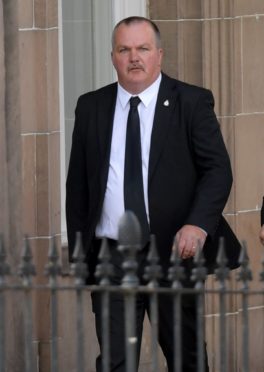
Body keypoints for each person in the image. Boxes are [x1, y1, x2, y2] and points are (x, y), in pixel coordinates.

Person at [66, 16, 241, 372]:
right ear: (112, 57)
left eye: (143, 48)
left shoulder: (190, 102)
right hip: (112, 256)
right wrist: (83, 255)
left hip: (173, 254)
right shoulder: (91, 107)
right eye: (124, 49)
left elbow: (217, 171)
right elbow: (79, 187)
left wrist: (198, 224)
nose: (134, 58)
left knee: (185, 359)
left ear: (159, 55)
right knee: (115, 361)